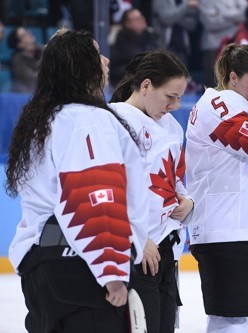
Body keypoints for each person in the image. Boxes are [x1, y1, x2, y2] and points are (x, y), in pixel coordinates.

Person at [5, 29, 148, 333]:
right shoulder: (88, 120)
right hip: (83, 270)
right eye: (97, 54)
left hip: (45, 267)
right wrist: (110, 269)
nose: (106, 61)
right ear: (82, 65)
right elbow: (93, 195)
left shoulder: (46, 120)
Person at [185, 43, 248, 332]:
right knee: (231, 321)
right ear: (232, 78)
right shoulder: (218, 104)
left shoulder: (247, 109)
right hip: (226, 229)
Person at [109, 50, 193, 333]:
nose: (175, 105)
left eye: (180, 97)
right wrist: (137, 238)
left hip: (167, 247)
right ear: (146, 86)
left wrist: (187, 201)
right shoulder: (116, 120)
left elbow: (175, 177)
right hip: (137, 250)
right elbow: (113, 187)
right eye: (170, 96)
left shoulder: (171, 127)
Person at [198, 0, 247, 88]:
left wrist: (223, 13)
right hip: (213, 47)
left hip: (235, 44)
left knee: (234, 82)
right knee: (213, 84)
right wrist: (235, 20)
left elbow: (246, 13)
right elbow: (210, 23)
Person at [109, 8, 159, 86]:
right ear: (127, 23)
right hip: (126, 83)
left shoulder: (152, 36)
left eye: (142, 17)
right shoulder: (120, 40)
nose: (142, 20)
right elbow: (114, 68)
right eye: (137, 19)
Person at [151, 0, 199, 68]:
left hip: (182, 49)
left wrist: (172, 17)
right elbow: (167, 19)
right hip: (163, 49)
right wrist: (186, 6)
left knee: (182, 76)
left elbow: (192, 25)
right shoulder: (160, 1)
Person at [6, 26, 43, 92]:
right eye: (24, 35)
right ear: (19, 44)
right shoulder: (17, 59)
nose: (29, 33)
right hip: (29, 92)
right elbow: (30, 79)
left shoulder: (43, 50)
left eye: (27, 31)